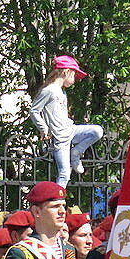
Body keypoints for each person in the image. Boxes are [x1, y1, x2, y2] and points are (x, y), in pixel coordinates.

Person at [29, 56, 102, 188]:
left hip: (71, 130)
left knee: (97, 131)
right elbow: (34, 111)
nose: (74, 80)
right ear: (66, 72)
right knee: (64, 173)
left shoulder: (62, 92)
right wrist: (44, 129)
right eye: (73, 75)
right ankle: (57, 201)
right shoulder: (48, 91)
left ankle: (76, 152)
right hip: (60, 138)